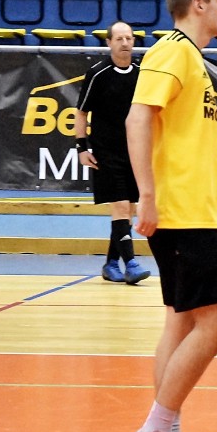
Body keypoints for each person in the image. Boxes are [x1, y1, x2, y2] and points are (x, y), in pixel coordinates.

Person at [124, 0, 217, 432]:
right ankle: (155, 431)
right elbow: (137, 117)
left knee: (182, 320)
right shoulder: (172, 51)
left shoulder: (189, 56)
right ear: (198, 5)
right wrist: (146, 195)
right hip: (182, 214)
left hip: (194, 213)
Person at [74, 21, 151, 285]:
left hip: (135, 151)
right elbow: (81, 112)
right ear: (109, 42)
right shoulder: (97, 73)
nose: (124, 43)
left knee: (128, 209)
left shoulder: (143, 73)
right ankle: (131, 263)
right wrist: (82, 146)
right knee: (119, 206)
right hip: (106, 152)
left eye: (128, 38)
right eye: (118, 38)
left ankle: (110, 263)